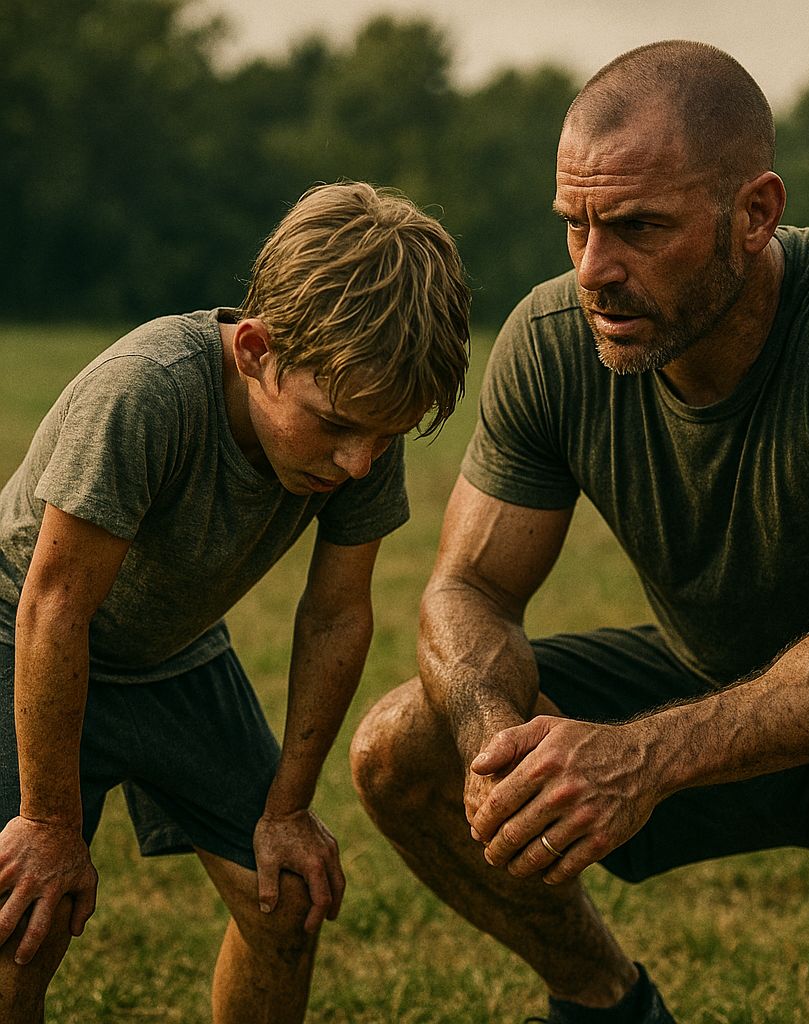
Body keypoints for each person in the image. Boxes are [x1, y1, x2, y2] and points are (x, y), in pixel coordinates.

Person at [351, 40, 809, 1024]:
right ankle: (607, 1004)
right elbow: (468, 591)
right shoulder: (552, 342)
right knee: (405, 746)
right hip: (718, 676)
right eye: (574, 226)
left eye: (636, 228)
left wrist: (642, 759)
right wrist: (499, 745)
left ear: (755, 215)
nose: (593, 270)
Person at [0, 181, 471, 1023]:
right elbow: (56, 605)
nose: (359, 463)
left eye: (386, 435)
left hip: (174, 658)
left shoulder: (363, 427)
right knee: (21, 926)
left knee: (284, 898)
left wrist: (288, 808)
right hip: (20, 638)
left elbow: (336, 615)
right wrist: (47, 822)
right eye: (334, 427)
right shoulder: (147, 390)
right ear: (255, 348)